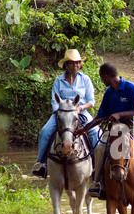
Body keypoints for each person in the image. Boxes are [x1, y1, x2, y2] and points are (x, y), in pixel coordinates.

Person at [80, 62, 134, 198]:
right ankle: (98, 183)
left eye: (101, 77)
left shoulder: (131, 88)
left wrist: (120, 114)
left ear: (106, 76)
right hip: (117, 128)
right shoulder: (109, 92)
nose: (101, 80)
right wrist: (84, 129)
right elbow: (100, 116)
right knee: (100, 148)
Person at [32, 49, 100, 178]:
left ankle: (96, 166)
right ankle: (42, 164)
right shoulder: (58, 80)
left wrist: (80, 108)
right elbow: (54, 100)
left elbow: (91, 101)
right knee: (45, 132)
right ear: (66, 65)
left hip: (81, 112)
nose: (75, 65)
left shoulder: (85, 79)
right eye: (72, 63)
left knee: (96, 132)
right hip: (62, 113)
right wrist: (59, 112)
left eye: (77, 63)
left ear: (80, 64)